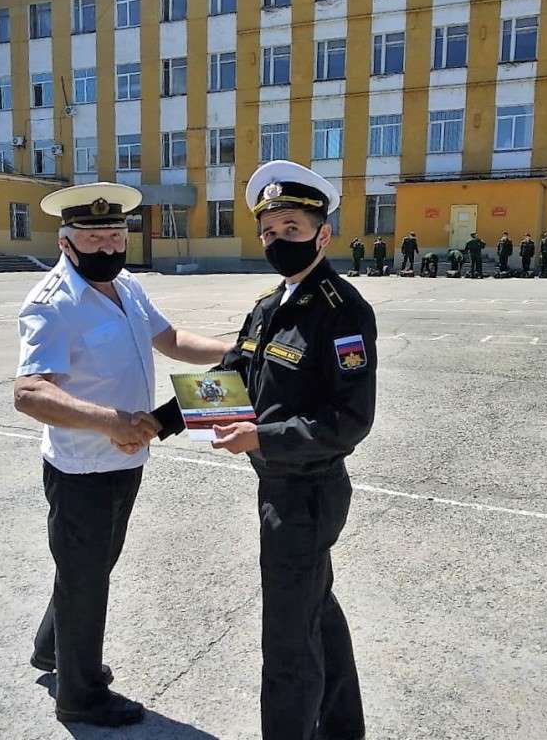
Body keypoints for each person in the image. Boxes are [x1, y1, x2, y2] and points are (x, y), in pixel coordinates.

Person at [156, 161, 374, 740]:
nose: (280, 241)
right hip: (277, 486)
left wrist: (263, 438)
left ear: (322, 235)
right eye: (271, 232)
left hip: (307, 492)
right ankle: (343, 728)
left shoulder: (342, 310)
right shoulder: (268, 305)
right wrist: (159, 423)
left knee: (286, 638)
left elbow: (350, 420)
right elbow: (231, 376)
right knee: (315, 613)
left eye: (293, 229)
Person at [13, 182, 231, 727]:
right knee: (87, 576)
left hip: (129, 457)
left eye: (116, 236)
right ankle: (81, 696)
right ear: (67, 244)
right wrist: (107, 421)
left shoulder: (126, 284)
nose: (109, 248)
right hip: (83, 467)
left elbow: (173, 339)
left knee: (88, 566)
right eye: (94, 239)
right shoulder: (52, 304)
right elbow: (29, 393)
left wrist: (238, 349)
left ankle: (52, 650)